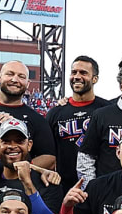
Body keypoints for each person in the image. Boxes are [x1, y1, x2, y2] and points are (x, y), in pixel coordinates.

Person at [45, 55, 109, 184]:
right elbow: (47, 153)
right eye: (74, 72)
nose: (77, 76)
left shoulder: (107, 109)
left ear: (95, 78)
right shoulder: (56, 112)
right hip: (64, 186)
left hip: (101, 185)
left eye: (83, 73)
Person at [0, 61, 57, 170]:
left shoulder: (37, 119)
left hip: (18, 184)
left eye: (21, 76)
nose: (15, 80)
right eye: (10, 74)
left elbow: (49, 158)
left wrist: (18, 170)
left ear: (28, 83)